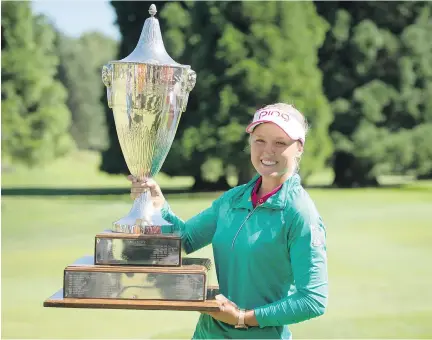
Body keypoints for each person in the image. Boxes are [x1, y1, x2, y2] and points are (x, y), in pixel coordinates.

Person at [129, 103, 328, 339]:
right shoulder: (233, 200)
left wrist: (242, 317)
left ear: (299, 148)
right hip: (208, 334)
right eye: (259, 140)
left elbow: (313, 300)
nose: (267, 150)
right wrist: (158, 205)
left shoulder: (300, 214)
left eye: (280, 143)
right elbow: (184, 241)